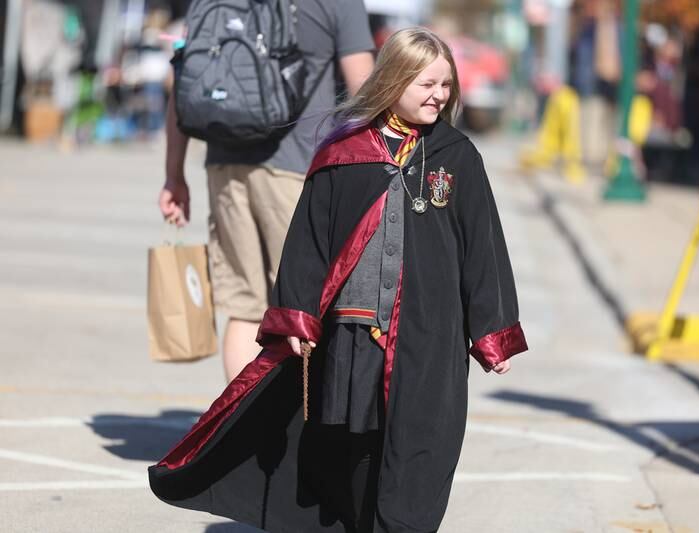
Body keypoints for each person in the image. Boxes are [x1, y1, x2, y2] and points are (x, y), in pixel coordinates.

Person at [149, 27, 528, 533]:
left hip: (428, 335)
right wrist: (296, 315)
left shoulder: (458, 157)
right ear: (394, 81)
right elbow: (308, 242)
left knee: (422, 444)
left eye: (446, 85)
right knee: (352, 445)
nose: (439, 95)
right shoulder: (342, 154)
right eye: (426, 85)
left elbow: (483, 247)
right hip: (352, 335)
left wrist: (492, 332)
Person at [158, 0, 375, 382]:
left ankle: (243, 431)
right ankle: (299, 434)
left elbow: (185, 79)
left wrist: (174, 174)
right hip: (299, 170)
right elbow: (365, 93)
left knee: (244, 309)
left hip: (225, 164)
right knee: (306, 307)